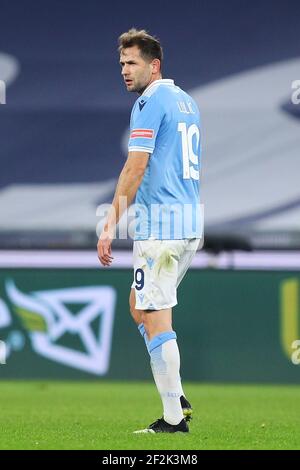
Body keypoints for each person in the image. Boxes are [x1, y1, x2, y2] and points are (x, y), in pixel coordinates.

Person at [97, 28, 202, 434]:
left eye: (132, 63)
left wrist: (109, 224)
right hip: (189, 223)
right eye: (121, 63)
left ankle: (173, 419)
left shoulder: (150, 102)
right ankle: (176, 392)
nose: (124, 70)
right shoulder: (186, 101)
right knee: (139, 306)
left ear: (153, 65)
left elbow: (135, 167)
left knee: (157, 317)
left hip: (161, 227)